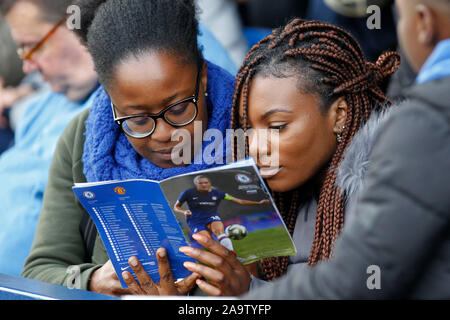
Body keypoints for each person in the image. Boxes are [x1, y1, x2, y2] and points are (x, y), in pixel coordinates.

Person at [194, 0, 450, 299]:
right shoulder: (264, 194)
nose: (256, 147)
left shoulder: (381, 184)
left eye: (277, 127)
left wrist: (247, 295)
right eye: (248, 130)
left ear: (339, 115)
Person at [22, 0, 236, 298]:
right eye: (137, 119)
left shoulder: (252, 127)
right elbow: (39, 272)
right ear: (111, 99)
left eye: (178, 109)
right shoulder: (83, 139)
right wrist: (95, 280)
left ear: (201, 78)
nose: (164, 134)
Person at [0, 0, 99, 276]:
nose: (28, 66)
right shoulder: (42, 104)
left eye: (32, 46)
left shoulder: (132, 108)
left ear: (79, 25)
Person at [174, 174, 269, 252]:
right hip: (195, 220)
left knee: (219, 232)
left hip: (212, 216)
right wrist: (184, 211)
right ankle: (223, 260)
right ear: (196, 184)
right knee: (208, 241)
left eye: (206, 182)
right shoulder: (188, 193)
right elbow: (176, 207)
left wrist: (258, 203)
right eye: (200, 183)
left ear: (209, 183)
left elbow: (239, 201)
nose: (204, 185)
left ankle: (233, 256)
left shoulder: (218, 193)